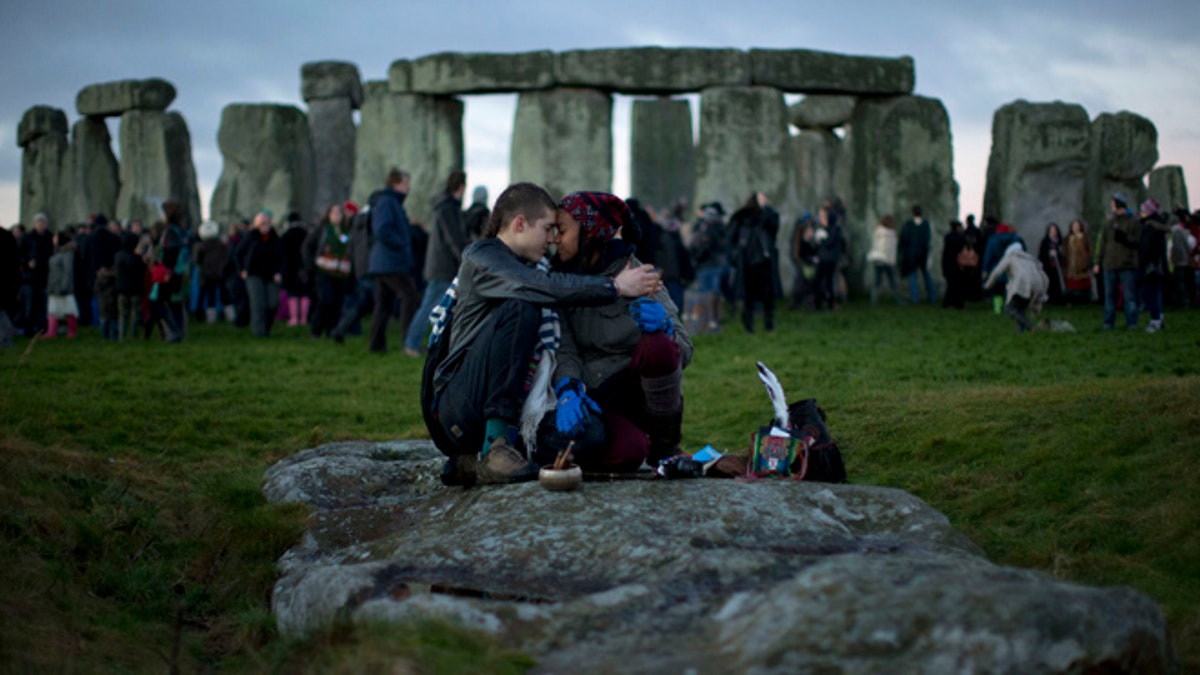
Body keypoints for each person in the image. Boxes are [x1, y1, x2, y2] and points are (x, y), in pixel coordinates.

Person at [424, 183, 661, 486]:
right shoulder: (482, 257)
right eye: (548, 228)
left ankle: (474, 462)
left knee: (591, 436)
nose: (552, 239)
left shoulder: (537, 269)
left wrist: (567, 390)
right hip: (461, 407)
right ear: (519, 223)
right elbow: (531, 286)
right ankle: (496, 446)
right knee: (523, 305)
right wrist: (615, 287)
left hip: (519, 408)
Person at [541, 191, 693, 473]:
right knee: (627, 455)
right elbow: (565, 348)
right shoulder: (561, 280)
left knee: (658, 344)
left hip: (642, 393)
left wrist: (666, 328)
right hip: (597, 396)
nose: (554, 239)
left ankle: (665, 445)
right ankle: (631, 441)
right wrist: (568, 387)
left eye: (561, 231)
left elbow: (684, 350)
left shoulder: (640, 276)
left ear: (590, 231)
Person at [405, 170, 468, 357]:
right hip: (442, 266)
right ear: (462, 187)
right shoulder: (447, 209)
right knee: (429, 306)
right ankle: (411, 344)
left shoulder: (444, 206)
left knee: (434, 306)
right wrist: (465, 257)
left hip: (438, 264)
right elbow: (452, 238)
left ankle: (419, 343)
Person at [367, 169, 420, 354]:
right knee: (410, 296)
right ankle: (408, 340)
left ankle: (376, 345)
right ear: (395, 184)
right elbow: (382, 229)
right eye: (405, 183)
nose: (408, 187)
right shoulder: (388, 202)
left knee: (383, 304)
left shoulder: (389, 202)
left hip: (384, 261)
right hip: (390, 261)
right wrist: (402, 243)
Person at [729, 192, 780, 332]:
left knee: (767, 296)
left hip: (763, 262)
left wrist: (766, 208)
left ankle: (768, 324)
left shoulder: (766, 217)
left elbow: (774, 225)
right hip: (748, 263)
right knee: (749, 297)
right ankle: (749, 325)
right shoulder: (742, 218)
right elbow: (732, 238)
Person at [304, 203, 354, 339]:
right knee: (326, 299)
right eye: (334, 213)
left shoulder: (347, 232)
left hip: (342, 273)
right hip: (324, 271)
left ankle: (332, 330)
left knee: (338, 302)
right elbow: (308, 246)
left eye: (340, 213)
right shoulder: (323, 230)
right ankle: (316, 329)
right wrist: (311, 265)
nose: (337, 216)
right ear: (329, 215)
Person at [1093, 193, 1143, 330]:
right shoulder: (1108, 223)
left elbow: (1137, 242)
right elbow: (1102, 243)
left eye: (1113, 203)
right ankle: (1108, 323)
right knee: (1110, 296)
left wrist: (1123, 236)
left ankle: (1132, 323)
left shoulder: (1133, 222)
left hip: (1127, 264)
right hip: (1109, 264)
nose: (1111, 206)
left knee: (1129, 297)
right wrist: (1098, 261)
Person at [236, 210, 284, 337]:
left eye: (267, 223)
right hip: (254, 274)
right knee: (258, 303)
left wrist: (279, 272)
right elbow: (238, 254)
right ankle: (259, 332)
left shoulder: (275, 238)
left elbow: (282, 257)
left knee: (273, 302)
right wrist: (241, 270)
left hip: (272, 275)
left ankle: (267, 326)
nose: (265, 226)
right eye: (262, 223)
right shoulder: (251, 237)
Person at [983, 242, 1048, 333]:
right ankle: (1019, 333)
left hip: (1022, 285)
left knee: (1009, 308)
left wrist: (987, 285)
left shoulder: (1010, 257)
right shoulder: (1029, 258)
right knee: (1020, 310)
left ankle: (1030, 327)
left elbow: (997, 271)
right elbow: (1042, 272)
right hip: (1037, 285)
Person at [688, 202, 728, 331]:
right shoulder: (714, 228)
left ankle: (710, 321)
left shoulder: (709, 229)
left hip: (709, 265)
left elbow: (701, 246)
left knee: (709, 294)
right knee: (710, 294)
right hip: (710, 265)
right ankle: (710, 321)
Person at [653, 199, 694, 313]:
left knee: (670, 297)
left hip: (668, 274)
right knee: (675, 298)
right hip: (674, 274)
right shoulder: (674, 240)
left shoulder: (663, 239)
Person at [19, 213, 54, 337]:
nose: (41, 225)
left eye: (43, 222)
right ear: (35, 224)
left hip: (45, 276)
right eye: (39, 222)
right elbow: (19, 254)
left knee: (43, 305)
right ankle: (28, 329)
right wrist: (27, 262)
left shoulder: (49, 237)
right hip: (30, 277)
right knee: (30, 305)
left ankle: (41, 328)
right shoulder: (27, 238)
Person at [1137, 200, 1170, 333]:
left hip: (1150, 265)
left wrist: (1141, 264)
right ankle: (1159, 317)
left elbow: (1145, 248)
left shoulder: (1149, 228)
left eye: (1143, 211)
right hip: (1159, 264)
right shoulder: (1160, 227)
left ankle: (1155, 320)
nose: (1140, 213)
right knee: (1157, 293)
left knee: (1148, 293)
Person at [981, 222, 1025, 314]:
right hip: (1013, 269)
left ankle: (998, 309)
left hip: (997, 268)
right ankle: (1010, 307)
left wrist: (985, 269)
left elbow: (988, 255)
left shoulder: (993, 240)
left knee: (997, 290)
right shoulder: (1017, 239)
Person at [898, 205, 936, 304]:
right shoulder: (926, 224)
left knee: (913, 276)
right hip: (923, 253)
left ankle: (914, 298)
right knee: (926, 275)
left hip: (912, 254)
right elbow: (928, 238)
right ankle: (932, 297)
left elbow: (904, 239)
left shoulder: (909, 224)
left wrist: (902, 251)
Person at [280, 212, 312, 328]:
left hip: (290, 268)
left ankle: (294, 318)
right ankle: (304, 318)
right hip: (304, 267)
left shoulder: (286, 236)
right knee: (304, 294)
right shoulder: (305, 234)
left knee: (292, 294)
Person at [45, 231, 79, 338]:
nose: (53, 239)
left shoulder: (67, 253)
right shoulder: (57, 252)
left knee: (69, 309)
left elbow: (68, 271)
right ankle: (51, 331)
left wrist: (65, 286)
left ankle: (72, 331)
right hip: (54, 284)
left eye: (55, 237)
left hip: (63, 286)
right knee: (53, 309)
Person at [193, 220, 229, 323]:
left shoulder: (201, 246)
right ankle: (227, 314)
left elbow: (197, 260)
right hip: (219, 272)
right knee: (223, 295)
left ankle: (210, 316)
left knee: (210, 295)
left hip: (207, 273)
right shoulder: (221, 245)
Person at [114, 232, 146, 342]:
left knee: (122, 314)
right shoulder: (136, 258)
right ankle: (133, 335)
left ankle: (121, 335)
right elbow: (142, 271)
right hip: (135, 288)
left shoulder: (118, 256)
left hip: (121, 287)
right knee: (134, 313)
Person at [813, 205, 845, 311]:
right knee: (819, 281)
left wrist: (821, 241)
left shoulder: (835, 229)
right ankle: (818, 303)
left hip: (829, 260)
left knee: (827, 282)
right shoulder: (823, 229)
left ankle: (829, 303)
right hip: (822, 258)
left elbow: (830, 243)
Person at [1062, 219, 1093, 305]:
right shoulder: (1068, 238)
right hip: (1071, 265)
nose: (1075, 227)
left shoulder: (1085, 237)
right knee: (1071, 284)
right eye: (1074, 226)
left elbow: (1089, 251)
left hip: (1082, 264)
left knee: (1082, 284)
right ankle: (1072, 300)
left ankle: (1084, 300)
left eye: (1077, 225)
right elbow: (1064, 250)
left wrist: (1086, 262)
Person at [941, 219, 968, 309]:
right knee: (958, 285)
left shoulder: (948, 237)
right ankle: (958, 303)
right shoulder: (961, 238)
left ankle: (949, 303)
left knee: (951, 285)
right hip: (958, 264)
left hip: (948, 264)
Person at [0, 225, 20, 347]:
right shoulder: (8, 236)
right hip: (8, 280)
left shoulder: (6, 236)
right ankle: (6, 339)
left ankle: (6, 340)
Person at [1037, 223, 1066, 306]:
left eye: (1055, 230)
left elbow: (1064, 254)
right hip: (1048, 267)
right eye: (1051, 230)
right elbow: (1041, 255)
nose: (1053, 232)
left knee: (1058, 282)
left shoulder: (1060, 241)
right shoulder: (1045, 242)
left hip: (1059, 267)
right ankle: (1050, 299)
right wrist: (1049, 254)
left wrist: (1059, 254)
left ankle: (1059, 298)